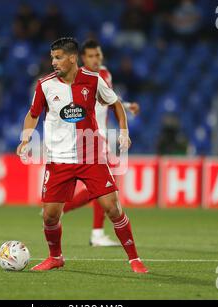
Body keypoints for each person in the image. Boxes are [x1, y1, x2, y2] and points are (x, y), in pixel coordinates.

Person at [16, 37, 148, 273]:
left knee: (113, 207)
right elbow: (33, 114)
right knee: (50, 216)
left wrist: (123, 132)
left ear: (72, 58)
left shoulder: (93, 80)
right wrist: (25, 138)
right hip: (59, 159)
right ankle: (55, 257)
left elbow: (115, 103)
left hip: (91, 156)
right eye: (52, 58)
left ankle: (134, 259)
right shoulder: (45, 85)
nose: (54, 62)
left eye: (58, 58)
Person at [62, 39, 141, 247]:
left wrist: (126, 105)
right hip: (89, 137)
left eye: (98, 55)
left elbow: (109, 99)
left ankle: (91, 229)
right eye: (90, 56)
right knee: (104, 187)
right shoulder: (76, 78)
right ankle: (63, 210)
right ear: (83, 58)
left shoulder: (105, 75)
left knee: (102, 187)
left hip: (101, 137)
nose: (95, 59)